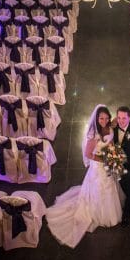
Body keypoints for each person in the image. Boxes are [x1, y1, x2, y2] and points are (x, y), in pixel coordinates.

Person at [45, 105, 123, 248]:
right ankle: (96, 213)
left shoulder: (110, 127)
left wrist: (113, 155)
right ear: (96, 118)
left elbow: (111, 142)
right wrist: (105, 160)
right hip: (98, 167)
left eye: (106, 118)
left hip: (107, 163)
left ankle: (109, 212)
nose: (104, 121)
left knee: (110, 187)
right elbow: (88, 154)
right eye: (101, 118)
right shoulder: (93, 135)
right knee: (100, 188)